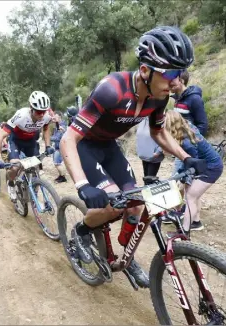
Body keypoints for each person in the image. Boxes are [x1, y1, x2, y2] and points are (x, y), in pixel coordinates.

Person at [60, 26, 206, 288]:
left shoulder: (159, 96)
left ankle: (127, 257)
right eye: (170, 73)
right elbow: (68, 139)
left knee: (137, 204)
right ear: (145, 70)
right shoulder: (112, 90)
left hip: (110, 147)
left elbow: (158, 131)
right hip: (86, 146)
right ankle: (80, 232)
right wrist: (83, 185)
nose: (176, 82)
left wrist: (186, 157)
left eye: (180, 74)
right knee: (111, 204)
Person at [165, 110, 223, 232]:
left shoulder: (187, 143)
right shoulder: (187, 127)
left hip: (210, 167)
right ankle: (196, 221)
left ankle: (184, 231)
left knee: (190, 196)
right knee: (194, 194)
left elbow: (191, 164)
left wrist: (181, 176)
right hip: (208, 163)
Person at [0, 91, 55, 201]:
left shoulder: (47, 115)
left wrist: (48, 146)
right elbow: (0, 136)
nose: (41, 115)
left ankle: (34, 191)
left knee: (36, 166)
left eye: (43, 111)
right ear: (31, 108)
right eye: (38, 111)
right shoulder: (21, 115)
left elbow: (46, 129)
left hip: (30, 141)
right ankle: (11, 183)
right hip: (16, 140)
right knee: (15, 166)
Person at [171, 70, 207, 136]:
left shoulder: (194, 99)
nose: (169, 83)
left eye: (172, 80)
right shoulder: (177, 98)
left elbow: (202, 126)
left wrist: (193, 142)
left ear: (181, 81)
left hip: (191, 143)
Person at [51, 111, 67, 183]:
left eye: (55, 116)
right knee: (57, 163)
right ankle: (61, 176)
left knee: (57, 163)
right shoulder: (57, 125)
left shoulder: (61, 126)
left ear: (59, 117)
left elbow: (58, 138)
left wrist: (48, 138)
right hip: (58, 147)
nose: (53, 117)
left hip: (60, 148)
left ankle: (63, 177)